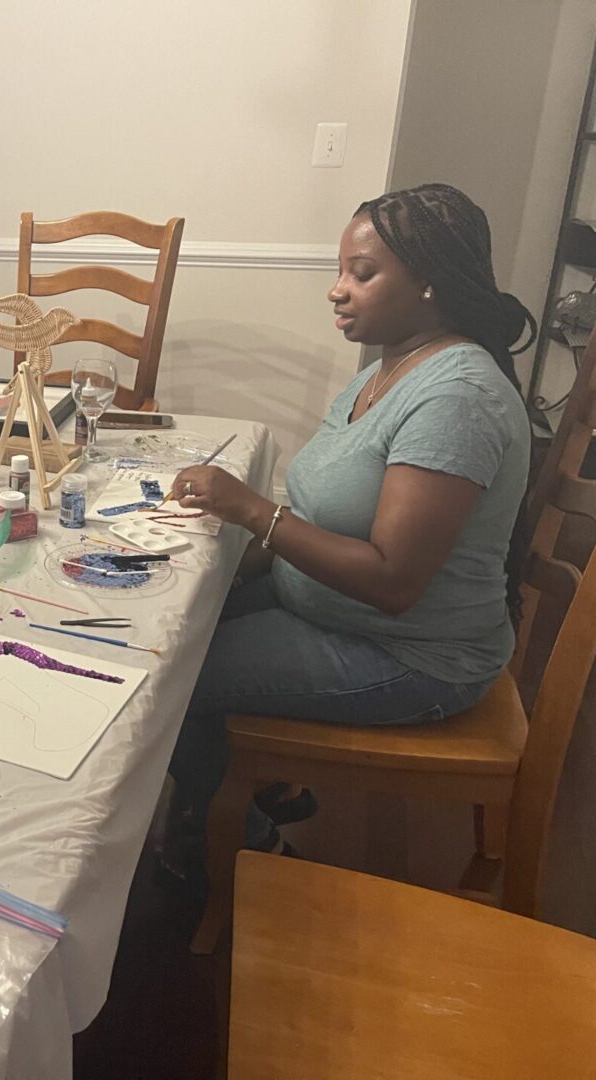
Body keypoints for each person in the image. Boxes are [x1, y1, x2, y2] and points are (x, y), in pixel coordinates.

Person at [163, 183, 534, 870]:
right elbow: (320, 508)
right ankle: (262, 782)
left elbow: (393, 581)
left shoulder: (456, 397)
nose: (337, 290)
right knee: (173, 621)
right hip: (335, 611)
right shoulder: (391, 367)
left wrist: (250, 511)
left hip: (411, 654)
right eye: (340, 271)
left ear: (429, 282)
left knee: (168, 677)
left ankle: (242, 843)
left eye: (361, 274)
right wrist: (224, 564)